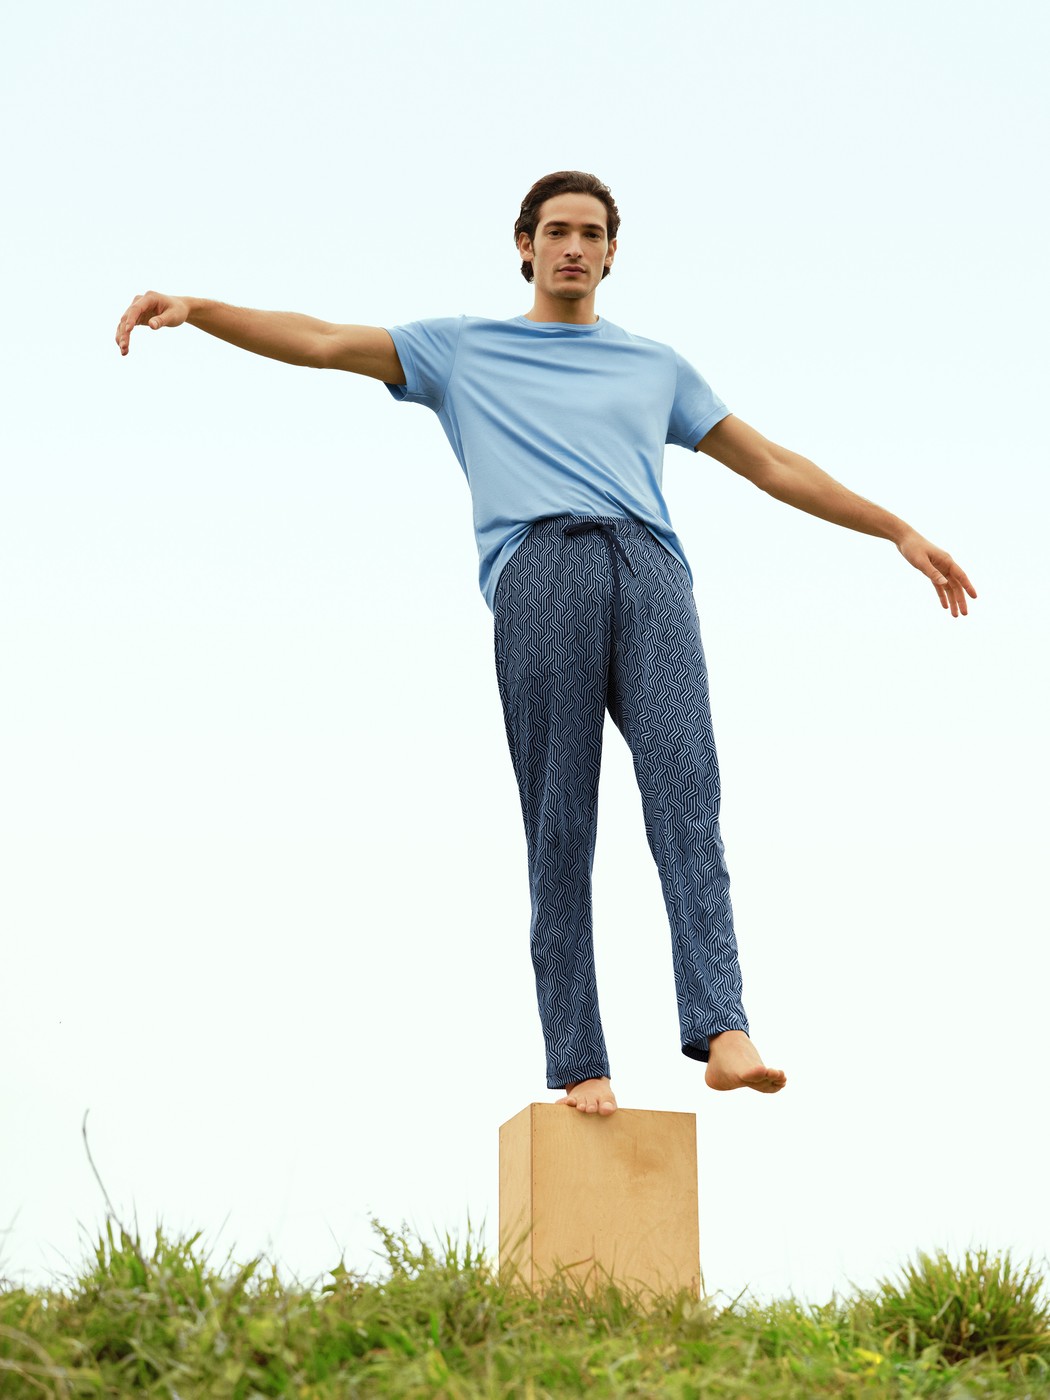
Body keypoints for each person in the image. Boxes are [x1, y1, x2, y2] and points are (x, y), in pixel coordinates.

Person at [115, 170, 976, 1118]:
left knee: (688, 791)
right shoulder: (462, 350)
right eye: (556, 231)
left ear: (612, 254)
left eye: (591, 233)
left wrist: (896, 529)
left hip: (650, 570)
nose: (573, 246)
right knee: (562, 821)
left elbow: (771, 464)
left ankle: (723, 1027)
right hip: (541, 568)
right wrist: (197, 309)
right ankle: (579, 1058)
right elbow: (321, 341)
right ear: (523, 246)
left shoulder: (656, 367)